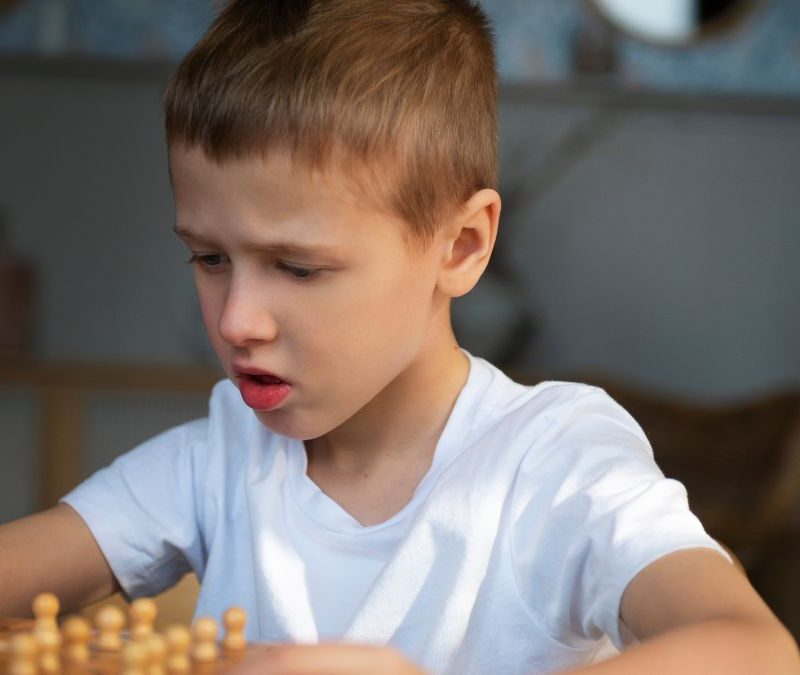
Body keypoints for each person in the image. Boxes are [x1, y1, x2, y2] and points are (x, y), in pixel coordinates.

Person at [1, 1, 797, 673]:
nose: (237, 319)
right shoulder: (218, 458)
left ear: (460, 246)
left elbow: (755, 650)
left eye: (298, 267)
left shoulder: (555, 461)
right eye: (210, 258)